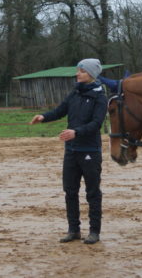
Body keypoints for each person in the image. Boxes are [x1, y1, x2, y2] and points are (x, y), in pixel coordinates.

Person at [30, 58, 107, 244]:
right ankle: (74, 230)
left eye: (81, 71)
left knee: (92, 193)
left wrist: (76, 132)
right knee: (70, 191)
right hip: (71, 150)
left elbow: (96, 123)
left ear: (90, 74)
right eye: (77, 70)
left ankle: (94, 232)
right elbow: (60, 111)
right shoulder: (75, 92)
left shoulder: (100, 97)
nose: (77, 73)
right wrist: (44, 117)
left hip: (90, 150)